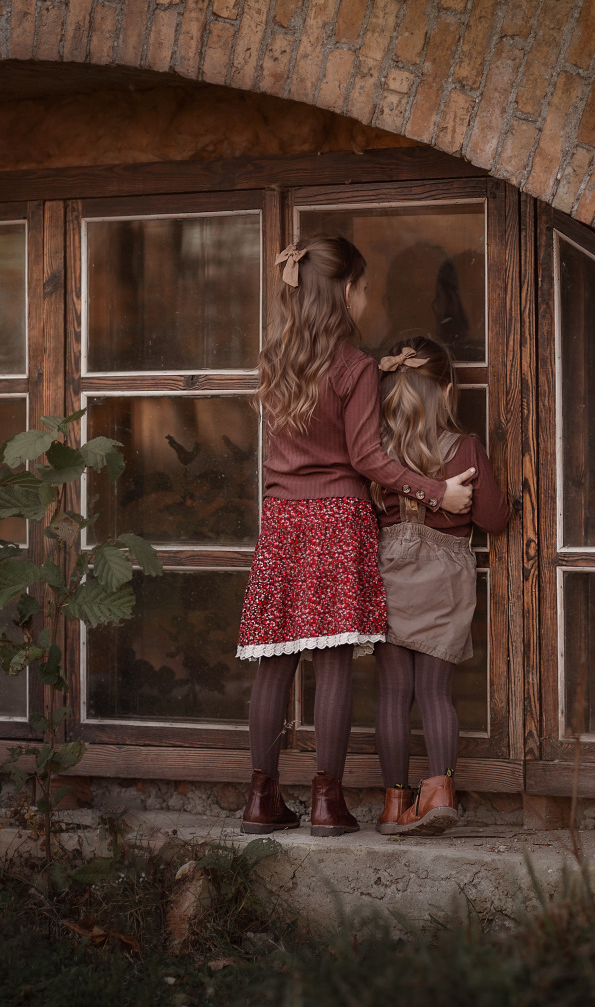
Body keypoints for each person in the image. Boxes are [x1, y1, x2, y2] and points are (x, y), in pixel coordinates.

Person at [237, 238, 477, 837]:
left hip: (281, 522)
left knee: (275, 665)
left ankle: (261, 800)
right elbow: (369, 458)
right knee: (334, 666)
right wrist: (435, 491)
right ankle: (327, 804)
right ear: (344, 291)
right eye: (364, 287)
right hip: (336, 521)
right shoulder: (353, 367)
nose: (367, 298)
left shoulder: (275, 361)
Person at [370, 334, 510, 836]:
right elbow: (493, 519)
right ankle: (438, 793)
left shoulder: (374, 454)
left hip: (387, 577)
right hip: (444, 583)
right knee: (434, 693)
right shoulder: (464, 447)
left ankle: (392, 806)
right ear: (447, 392)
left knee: (392, 694)